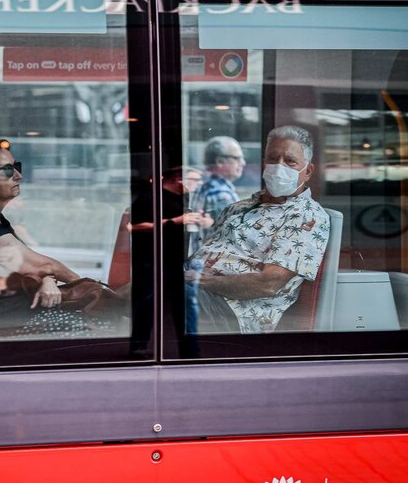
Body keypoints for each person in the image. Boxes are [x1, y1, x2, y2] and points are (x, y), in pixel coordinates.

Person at [0, 139, 113, 336]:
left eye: (17, 167)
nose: (18, 175)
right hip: (5, 319)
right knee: (106, 327)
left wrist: (48, 280)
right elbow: (42, 266)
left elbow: (28, 267)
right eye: (8, 171)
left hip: (15, 313)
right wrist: (90, 288)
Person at [185, 125, 330, 334]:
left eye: (290, 161)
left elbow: (269, 283)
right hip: (195, 288)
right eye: (273, 159)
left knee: (165, 297)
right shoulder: (238, 207)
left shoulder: (307, 216)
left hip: (233, 312)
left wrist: (204, 280)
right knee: (151, 282)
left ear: (307, 171)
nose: (279, 167)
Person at [127, 165, 213, 357]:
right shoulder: (150, 197)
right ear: (179, 179)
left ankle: (189, 348)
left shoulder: (186, 198)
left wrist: (204, 222)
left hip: (180, 258)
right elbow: (133, 226)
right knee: (147, 302)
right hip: (152, 258)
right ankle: (139, 345)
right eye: (194, 180)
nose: (197, 185)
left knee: (185, 303)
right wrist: (174, 221)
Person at [191, 136, 245, 256]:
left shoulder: (204, 185)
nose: (243, 163)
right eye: (237, 158)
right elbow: (239, 238)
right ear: (220, 161)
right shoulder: (221, 194)